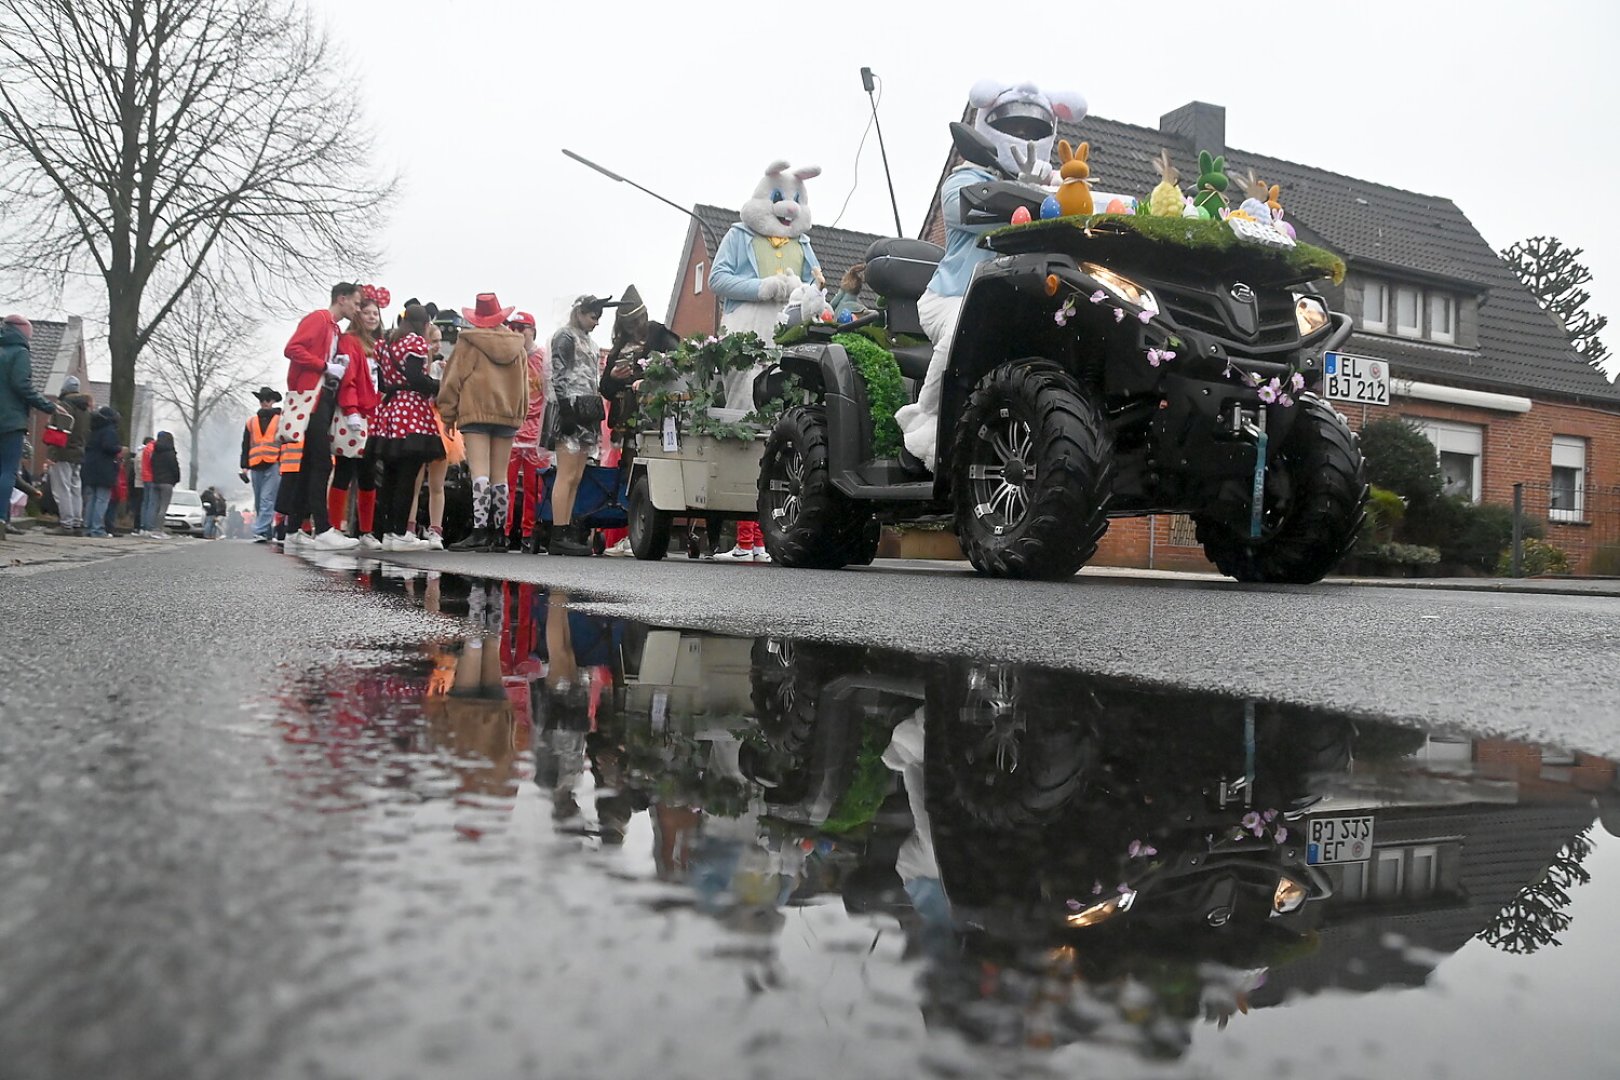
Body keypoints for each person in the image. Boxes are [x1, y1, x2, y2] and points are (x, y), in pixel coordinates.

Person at [893, 80, 1085, 472]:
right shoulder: (966, 179)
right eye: (1014, 129)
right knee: (961, 332)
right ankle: (923, 431)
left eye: (1033, 132)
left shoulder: (1056, 187)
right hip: (956, 295)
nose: (1024, 139)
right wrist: (1026, 196)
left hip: (1021, 298)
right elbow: (964, 211)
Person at [437, 292, 528, 552]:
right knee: (501, 476)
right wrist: (518, 414)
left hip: (475, 412)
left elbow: (452, 381)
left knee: (480, 473)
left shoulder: (468, 343)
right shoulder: (517, 346)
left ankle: (479, 531)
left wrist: (447, 414)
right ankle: (498, 533)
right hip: (507, 414)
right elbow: (523, 386)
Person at [279, 282, 363, 551]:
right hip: (312, 398)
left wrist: (334, 366)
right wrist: (325, 366)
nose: (357, 308)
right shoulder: (319, 319)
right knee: (321, 463)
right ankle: (323, 528)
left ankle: (293, 528)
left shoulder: (334, 328)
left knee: (308, 464)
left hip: (321, 397)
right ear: (342, 298)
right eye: (356, 302)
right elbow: (292, 348)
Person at [597, 286, 679, 557]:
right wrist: (618, 379)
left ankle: (648, 534)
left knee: (652, 473)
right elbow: (605, 387)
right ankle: (629, 533)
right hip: (626, 418)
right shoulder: (619, 346)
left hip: (654, 415)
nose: (633, 329)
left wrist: (644, 375)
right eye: (628, 325)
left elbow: (679, 364)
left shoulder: (659, 334)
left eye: (635, 323)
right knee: (629, 471)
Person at [545, 294, 618, 557]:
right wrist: (564, 408)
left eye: (599, 317)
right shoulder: (565, 336)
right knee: (565, 473)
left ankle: (566, 529)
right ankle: (558, 530)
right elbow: (559, 371)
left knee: (576, 475)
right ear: (580, 313)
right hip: (571, 409)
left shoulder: (589, 341)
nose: (596, 322)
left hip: (587, 409)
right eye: (593, 316)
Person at [370, 303, 444, 551]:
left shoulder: (386, 343)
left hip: (390, 411)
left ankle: (388, 531)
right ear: (424, 325)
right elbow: (415, 377)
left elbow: (381, 383)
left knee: (390, 474)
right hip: (411, 412)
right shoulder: (414, 343)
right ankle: (401, 532)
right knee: (407, 474)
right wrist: (435, 386)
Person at [1, 313, 69, 540]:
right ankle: (2, 519)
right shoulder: (19, 352)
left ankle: (6, 520)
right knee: (8, 471)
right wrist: (48, 406)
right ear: (20, 330)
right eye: (29, 330)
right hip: (10, 421)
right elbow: (22, 385)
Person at [328, 285, 386, 547]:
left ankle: (366, 532)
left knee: (367, 474)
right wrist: (351, 410)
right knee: (344, 470)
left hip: (373, 416)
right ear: (358, 315)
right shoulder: (349, 341)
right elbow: (348, 380)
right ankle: (333, 528)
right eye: (367, 312)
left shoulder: (381, 346)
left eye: (376, 313)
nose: (372, 317)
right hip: (354, 414)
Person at [505, 311, 552, 554]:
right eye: (513, 328)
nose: (517, 333)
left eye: (522, 328)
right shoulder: (508, 357)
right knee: (506, 485)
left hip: (535, 432)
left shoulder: (543, 359)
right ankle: (503, 532)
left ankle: (528, 534)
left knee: (535, 488)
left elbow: (549, 394)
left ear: (532, 330)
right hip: (511, 430)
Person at [45, 375, 94, 534]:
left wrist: (51, 455)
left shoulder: (63, 406)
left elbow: (58, 432)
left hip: (63, 453)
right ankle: (77, 523)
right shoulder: (85, 410)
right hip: (78, 453)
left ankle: (66, 524)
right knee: (75, 488)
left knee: (62, 488)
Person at [239, 386, 282, 542]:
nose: (264, 402)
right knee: (259, 500)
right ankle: (266, 530)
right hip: (256, 464)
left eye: (267, 399)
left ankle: (261, 530)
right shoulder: (251, 422)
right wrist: (244, 466)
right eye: (262, 399)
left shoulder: (281, 419)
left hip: (273, 463)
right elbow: (245, 445)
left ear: (273, 401)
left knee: (266, 499)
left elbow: (285, 442)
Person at [79, 406, 122, 539]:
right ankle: (97, 528)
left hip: (90, 467)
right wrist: (119, 448)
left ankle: (88, 527)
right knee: (102, 499)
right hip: (104, 468)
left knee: (91, 499)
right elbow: (109, 447)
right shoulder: (109, 431)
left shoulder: (93, 429)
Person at [144, 429, 180, 536]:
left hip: (155, 481)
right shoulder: (170, 453)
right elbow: (175, 468)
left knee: (154, 506)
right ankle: (158, 530)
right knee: (163, 507)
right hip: (167, 482)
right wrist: (176, 479)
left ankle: (150, 528)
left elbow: (152, 465)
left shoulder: (155, 452)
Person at [136, 435, 158, 535]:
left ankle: (142, 526)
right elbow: (153, 463)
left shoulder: (142, 451)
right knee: (152, 503)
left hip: (144, 478)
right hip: (152, 477)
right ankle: (149, 527)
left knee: (145, 503)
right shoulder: (152, 449)